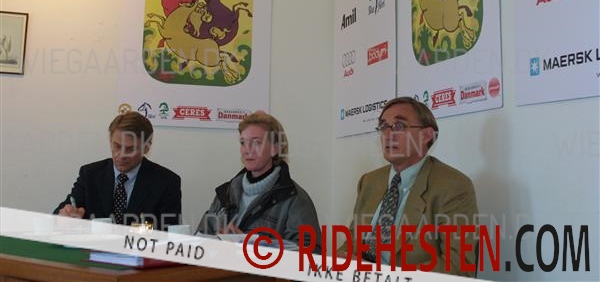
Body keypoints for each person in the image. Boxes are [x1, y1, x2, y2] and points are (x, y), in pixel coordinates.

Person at [339, 97, 478, 277]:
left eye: (398, 126)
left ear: (426, 135)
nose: (388, 135)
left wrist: (383, 275)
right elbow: (352, 243)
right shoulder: (369, 181)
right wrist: (341, 258)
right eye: (383, 127)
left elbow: (459, 267)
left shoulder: (453, 186)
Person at [196, 111, 321, 252]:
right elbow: (199, 240)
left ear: (275, 148)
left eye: (256, 142)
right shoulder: (225, 193)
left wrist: (255, 247)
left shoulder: (295, 199)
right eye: (243, 143)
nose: (247, 150)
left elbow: (311, 252)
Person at [54, 111, 182, 231]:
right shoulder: (90, 174)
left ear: (146, 147)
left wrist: (127, 232)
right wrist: (64, 216)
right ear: (110, 141)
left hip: (139, 246)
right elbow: (60, 214)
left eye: (130, 149)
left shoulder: (167, 182)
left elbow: (167, 228)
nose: (121, 155)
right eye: (117, 146)